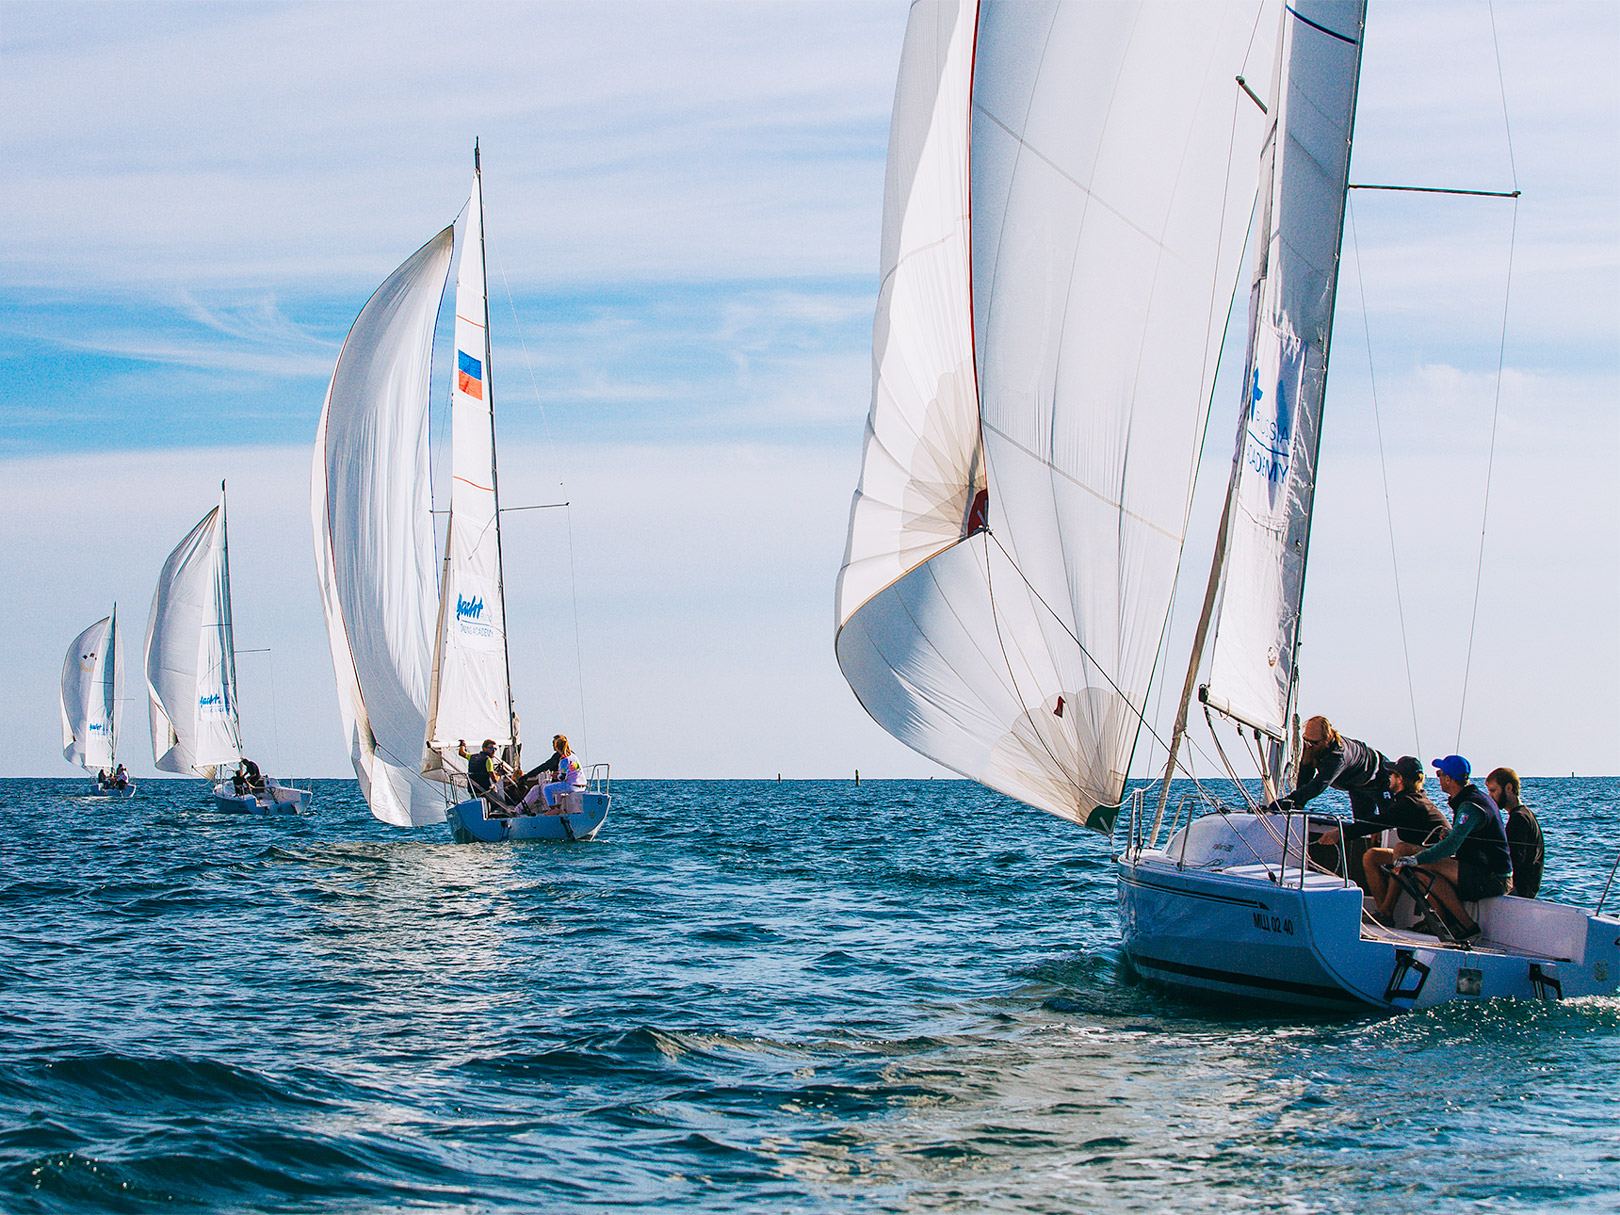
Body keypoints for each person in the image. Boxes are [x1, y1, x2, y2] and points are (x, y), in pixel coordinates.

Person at [1394, 754, 1512, 941]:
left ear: (1448, 779)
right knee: (1418, 869)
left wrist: (1415, 858)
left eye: (1439, 773)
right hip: (1483, 869)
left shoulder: (1469, 806)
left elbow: (1450, 847)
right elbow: (1468, 837)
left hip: (1492, 878)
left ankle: (1466, 926)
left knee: (1418, 865)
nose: (1438, 777)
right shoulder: (1474, 798)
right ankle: (1444, 921)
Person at [1330, 756, 1449, 919]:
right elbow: (1386, 820)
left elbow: (1380, 822)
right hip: (1418, 854)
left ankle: (1386, 911)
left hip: (1433, 858)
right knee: (1372, 856)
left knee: (1401, 850)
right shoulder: (1412, 799)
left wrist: (1341, 833)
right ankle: (1382, 912)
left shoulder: (1409, 803)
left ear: (1400, 779)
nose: (1389, 778)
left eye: (1392, 774)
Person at [1487, 766, 1543, 898]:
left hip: (1519, 891)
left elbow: (1513, 861)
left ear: (1508, 788)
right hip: (1528, 889)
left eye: (1494, 791)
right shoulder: (1526, 814)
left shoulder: (1519, 819)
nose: (1490, 796)